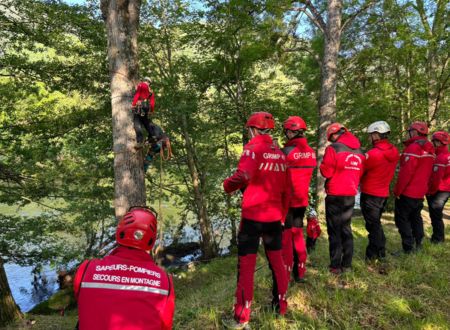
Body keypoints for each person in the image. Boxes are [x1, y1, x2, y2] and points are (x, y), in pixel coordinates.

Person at [223, 112, 289, 329]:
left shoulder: (253, 149)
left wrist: (227, 185)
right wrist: (282, 215)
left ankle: (242, 317)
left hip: (253, 217)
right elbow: (286, 190)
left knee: (246, 266)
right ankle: (281, 307)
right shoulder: (279, 153)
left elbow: (244, 176)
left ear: (252, 129)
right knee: (277, 263)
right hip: (274, 218)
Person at [74, 207, 175, 330]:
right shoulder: (164, 282)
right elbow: (165, 326)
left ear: (119, 232)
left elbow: (82, 300)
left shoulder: (86, 270)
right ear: (151, 240)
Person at [320, 123, 365, 274]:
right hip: (350, 194)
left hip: (335, 194)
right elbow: (361, 173)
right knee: (346, 228)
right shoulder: (359, 150)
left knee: (334, 230)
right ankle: (347, 264)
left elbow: (326, 172)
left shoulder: (333, 149)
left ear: (333, 135)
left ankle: (335, 266)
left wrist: (322, 166)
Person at [280, 116, 316, 283]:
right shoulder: (311, 152)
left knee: (287, 238)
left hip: (287, 202)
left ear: (290, 132)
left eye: (286, 131)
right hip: (301, 200)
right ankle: (300, 271)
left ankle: (286, 274)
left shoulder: (287, 152)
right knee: (298, 234)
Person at [360, 121, 399, 261]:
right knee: (376, 223)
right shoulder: (394, 151)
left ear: (376, 135)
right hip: (383, 194)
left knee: (373, 225)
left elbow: (361, 171)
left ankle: (373, 254)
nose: (369, 138)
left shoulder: (373, 154)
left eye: (370, 135)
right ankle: (380, 251)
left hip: (370, 194)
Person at [393, 121, 435, 253]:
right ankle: (419, 243)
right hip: (420, 191)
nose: (409, 134)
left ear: (415, 132)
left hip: (408, 191)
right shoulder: (430, 148)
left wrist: (398, 191)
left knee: (402, 219)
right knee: (416, 218)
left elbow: (406, 173)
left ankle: (408, 248)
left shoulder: (413, 148)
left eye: (410, 131)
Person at [426, 131, 449, 243]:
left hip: (439, 190)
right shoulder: (445, 155)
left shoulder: (441, 158)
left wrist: (430, 191)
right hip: (445, 189)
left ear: (439, 142)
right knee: (436, 215)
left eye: (434, 141)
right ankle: (438, 237)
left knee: (435, 214)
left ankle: (438, 239)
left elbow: (437, 178)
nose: (432, 143)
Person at [132, 77, 157, 144]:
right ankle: (153, 136)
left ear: (144, 80)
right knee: (145, 121)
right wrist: (151, 111)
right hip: (146, 108)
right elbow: (152, 103)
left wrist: (133, 104)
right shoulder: (151, 91)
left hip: (140, 106)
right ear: (149, 83)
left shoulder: (141, 85)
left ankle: (140, 141)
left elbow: (137, 95)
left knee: (136, 123)